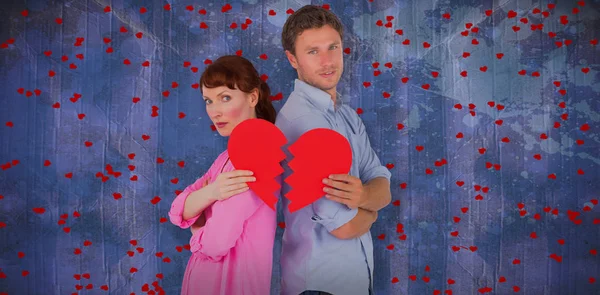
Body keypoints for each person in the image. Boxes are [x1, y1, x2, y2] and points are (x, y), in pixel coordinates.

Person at [275, 5, 392, 295]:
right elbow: (345, 227)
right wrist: (373, 209)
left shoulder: (346, 116)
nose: (327, 61)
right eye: (313, 51)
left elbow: (381, 180)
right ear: (293, 59)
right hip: (319, 286)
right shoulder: (305, 123)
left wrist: (364, 195)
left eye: (333, 47)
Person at [168, 55, 278, 295]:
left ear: (252, 97)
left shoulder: (258, 153)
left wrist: (197, 229)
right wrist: (212, 191)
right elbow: (178, 210)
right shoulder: (225, 157)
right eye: (208, 101)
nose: (214, 111)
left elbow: (215, 245)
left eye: (225, 98)